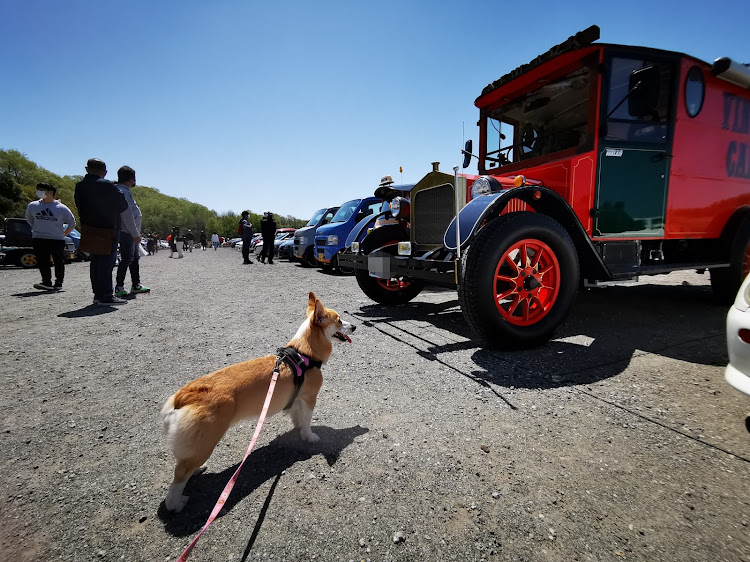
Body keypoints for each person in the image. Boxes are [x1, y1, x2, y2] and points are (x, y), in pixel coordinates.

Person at [74, 158, 135, 306]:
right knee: (107, 263)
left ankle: (97, 294)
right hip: (108, 228)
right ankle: (107, 295)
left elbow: (78, 204)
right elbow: (122, 205)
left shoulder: (80, 186)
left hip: (89, 228)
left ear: (87, 169)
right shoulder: (108, 186)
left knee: (95, 262)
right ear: (105, 172)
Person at [25, 182, 76, 291]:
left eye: (42, 190)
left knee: (58, 261)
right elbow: (29, 219)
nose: (39, 192)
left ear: (51, 193)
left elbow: (72, 223)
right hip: (39, 238)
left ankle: (58, 283)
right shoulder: (33, 206)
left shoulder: (62, 208)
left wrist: (64, 234)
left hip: (57, 239)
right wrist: (38, 228)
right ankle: (46, 282)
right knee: (43, 261)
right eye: (38, 190)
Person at [114, 166, 150, 298]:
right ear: (131, 179)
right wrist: (135, 234)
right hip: (127, 232)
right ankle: (119, 287)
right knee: (126, 259)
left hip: (130, 232)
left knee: (134, 259)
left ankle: (136, 284)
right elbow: (127, 214)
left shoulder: (123, 190)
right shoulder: (123, 191)